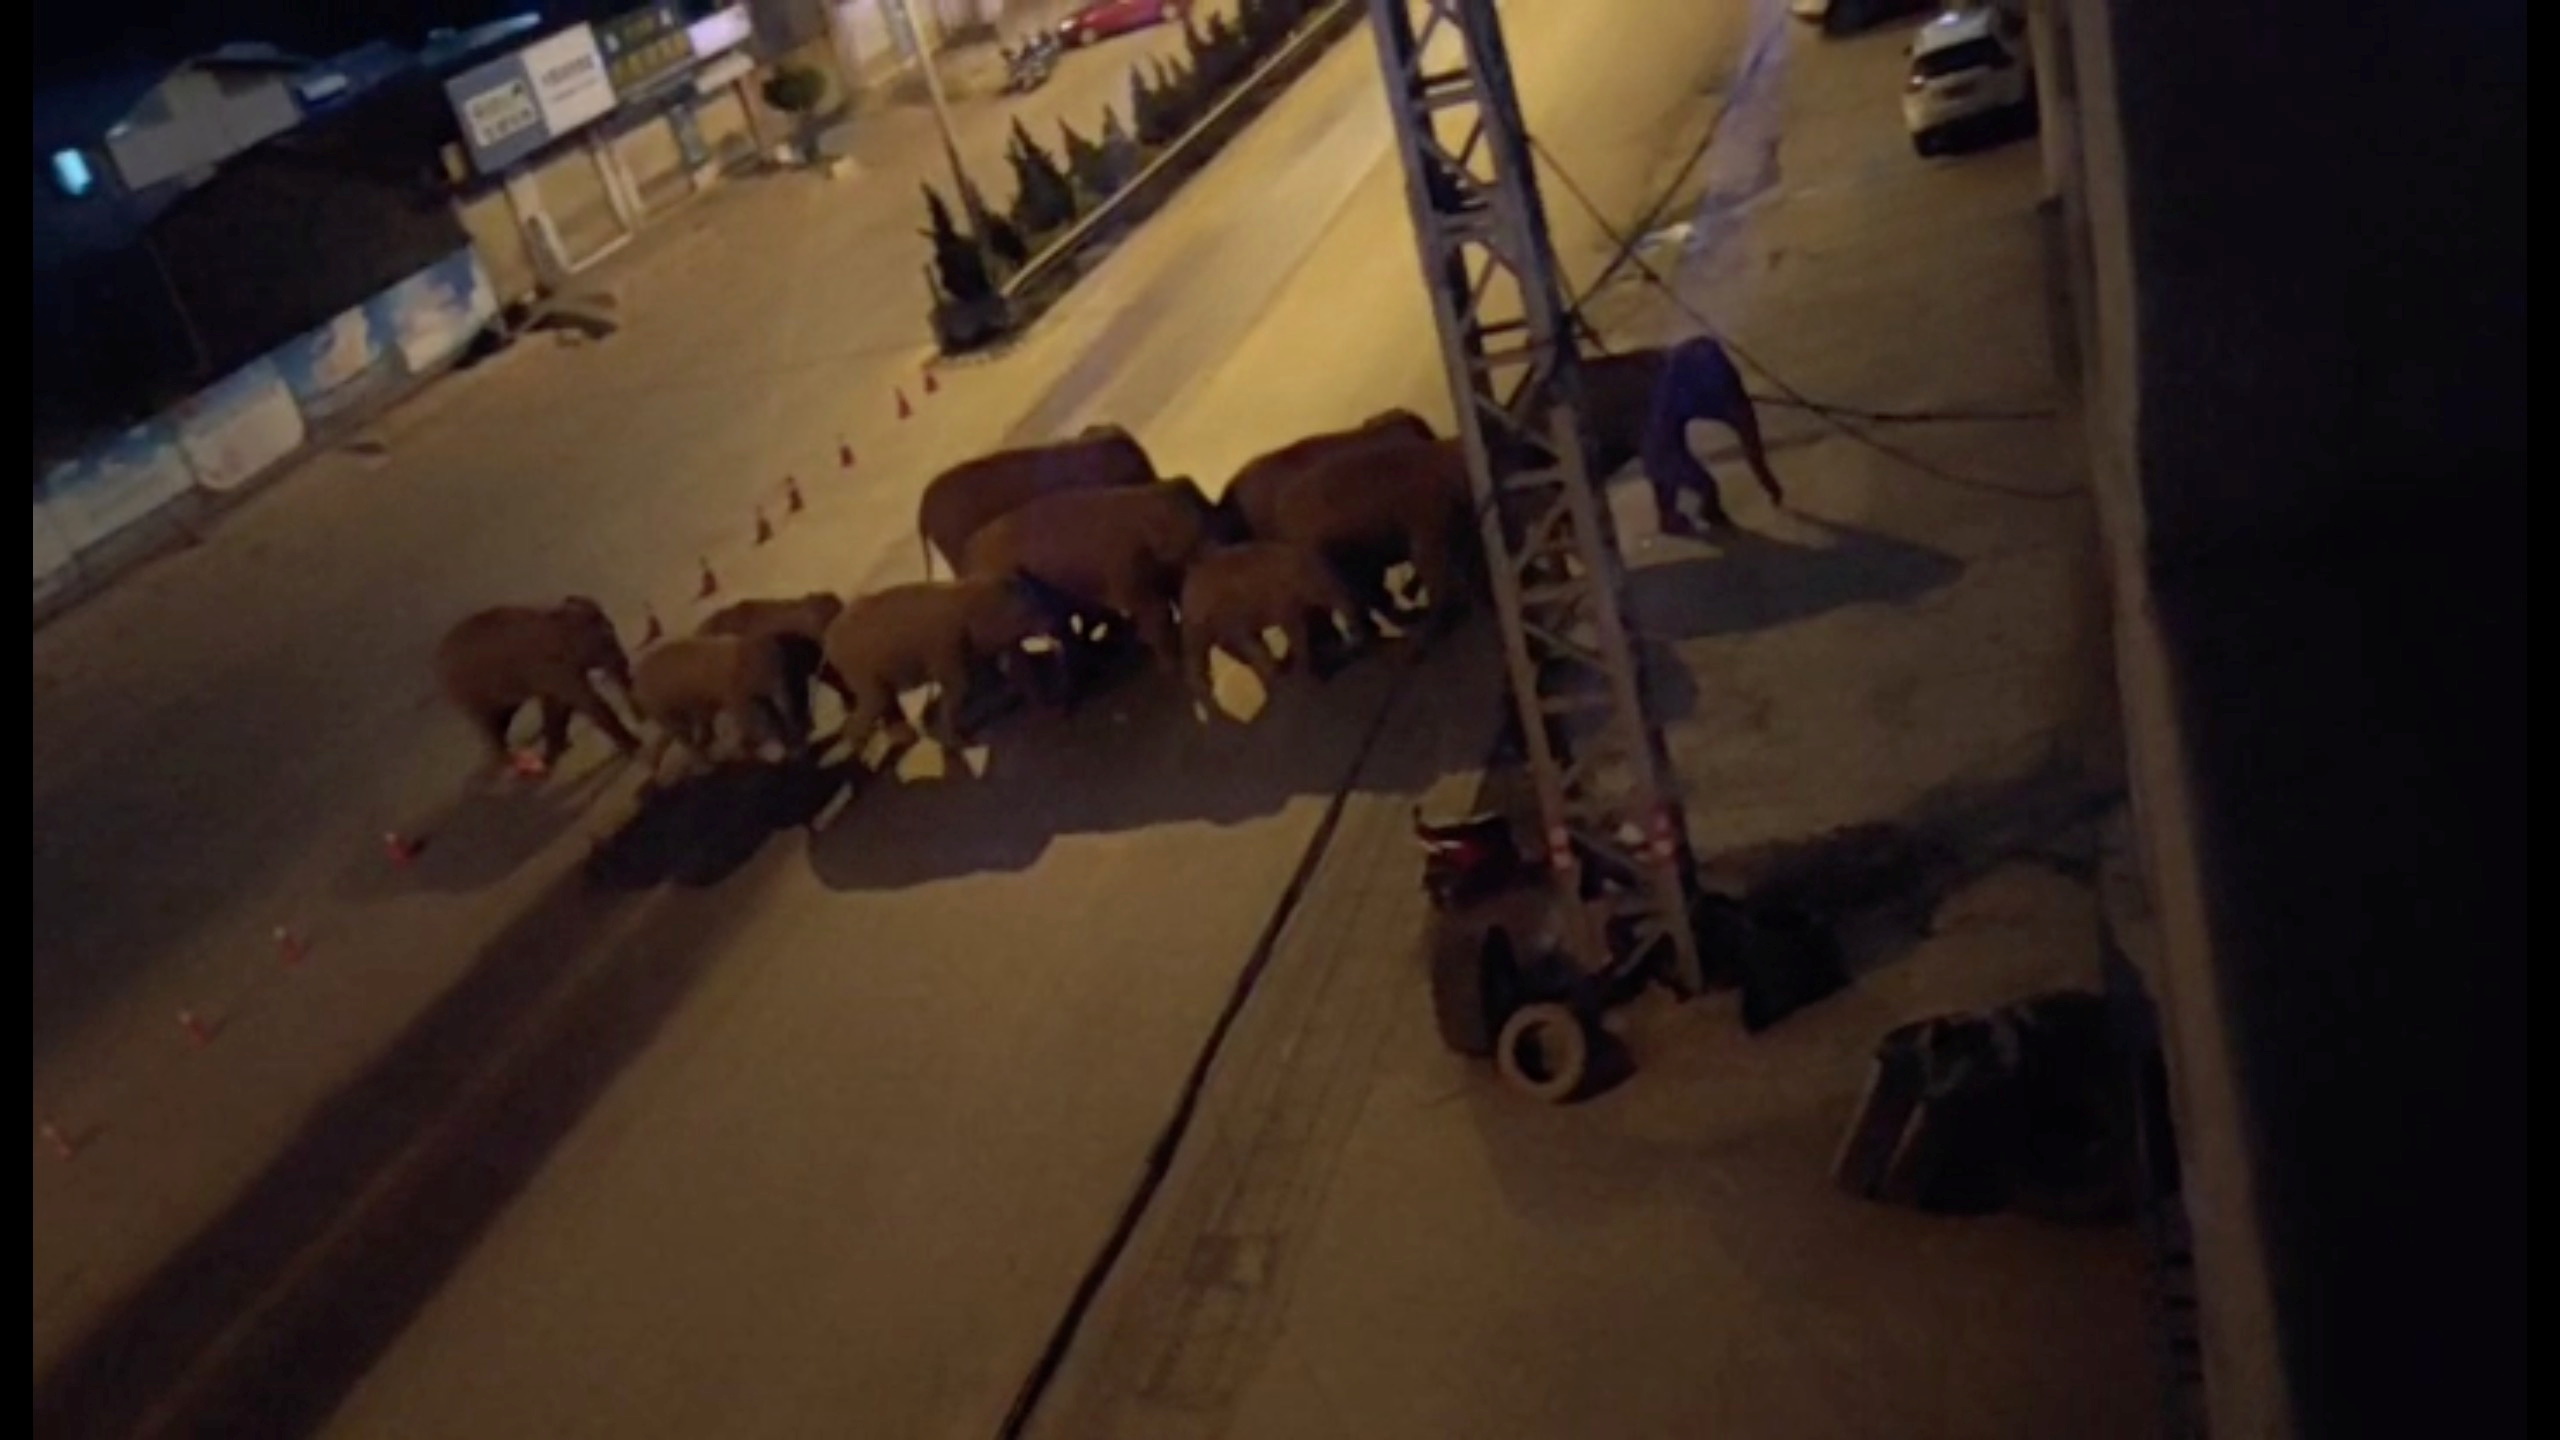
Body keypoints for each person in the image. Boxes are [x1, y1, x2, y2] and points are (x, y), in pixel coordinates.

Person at [1636, 334, 1785, 536]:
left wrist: (1769, 482)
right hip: (1663, 402)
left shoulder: (1716, 384)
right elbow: (1659, 453)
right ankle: (1673, 514)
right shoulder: (1668, 393)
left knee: (1669, 452)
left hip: (1679, 389)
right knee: (1697, 480)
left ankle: (1680, 512)